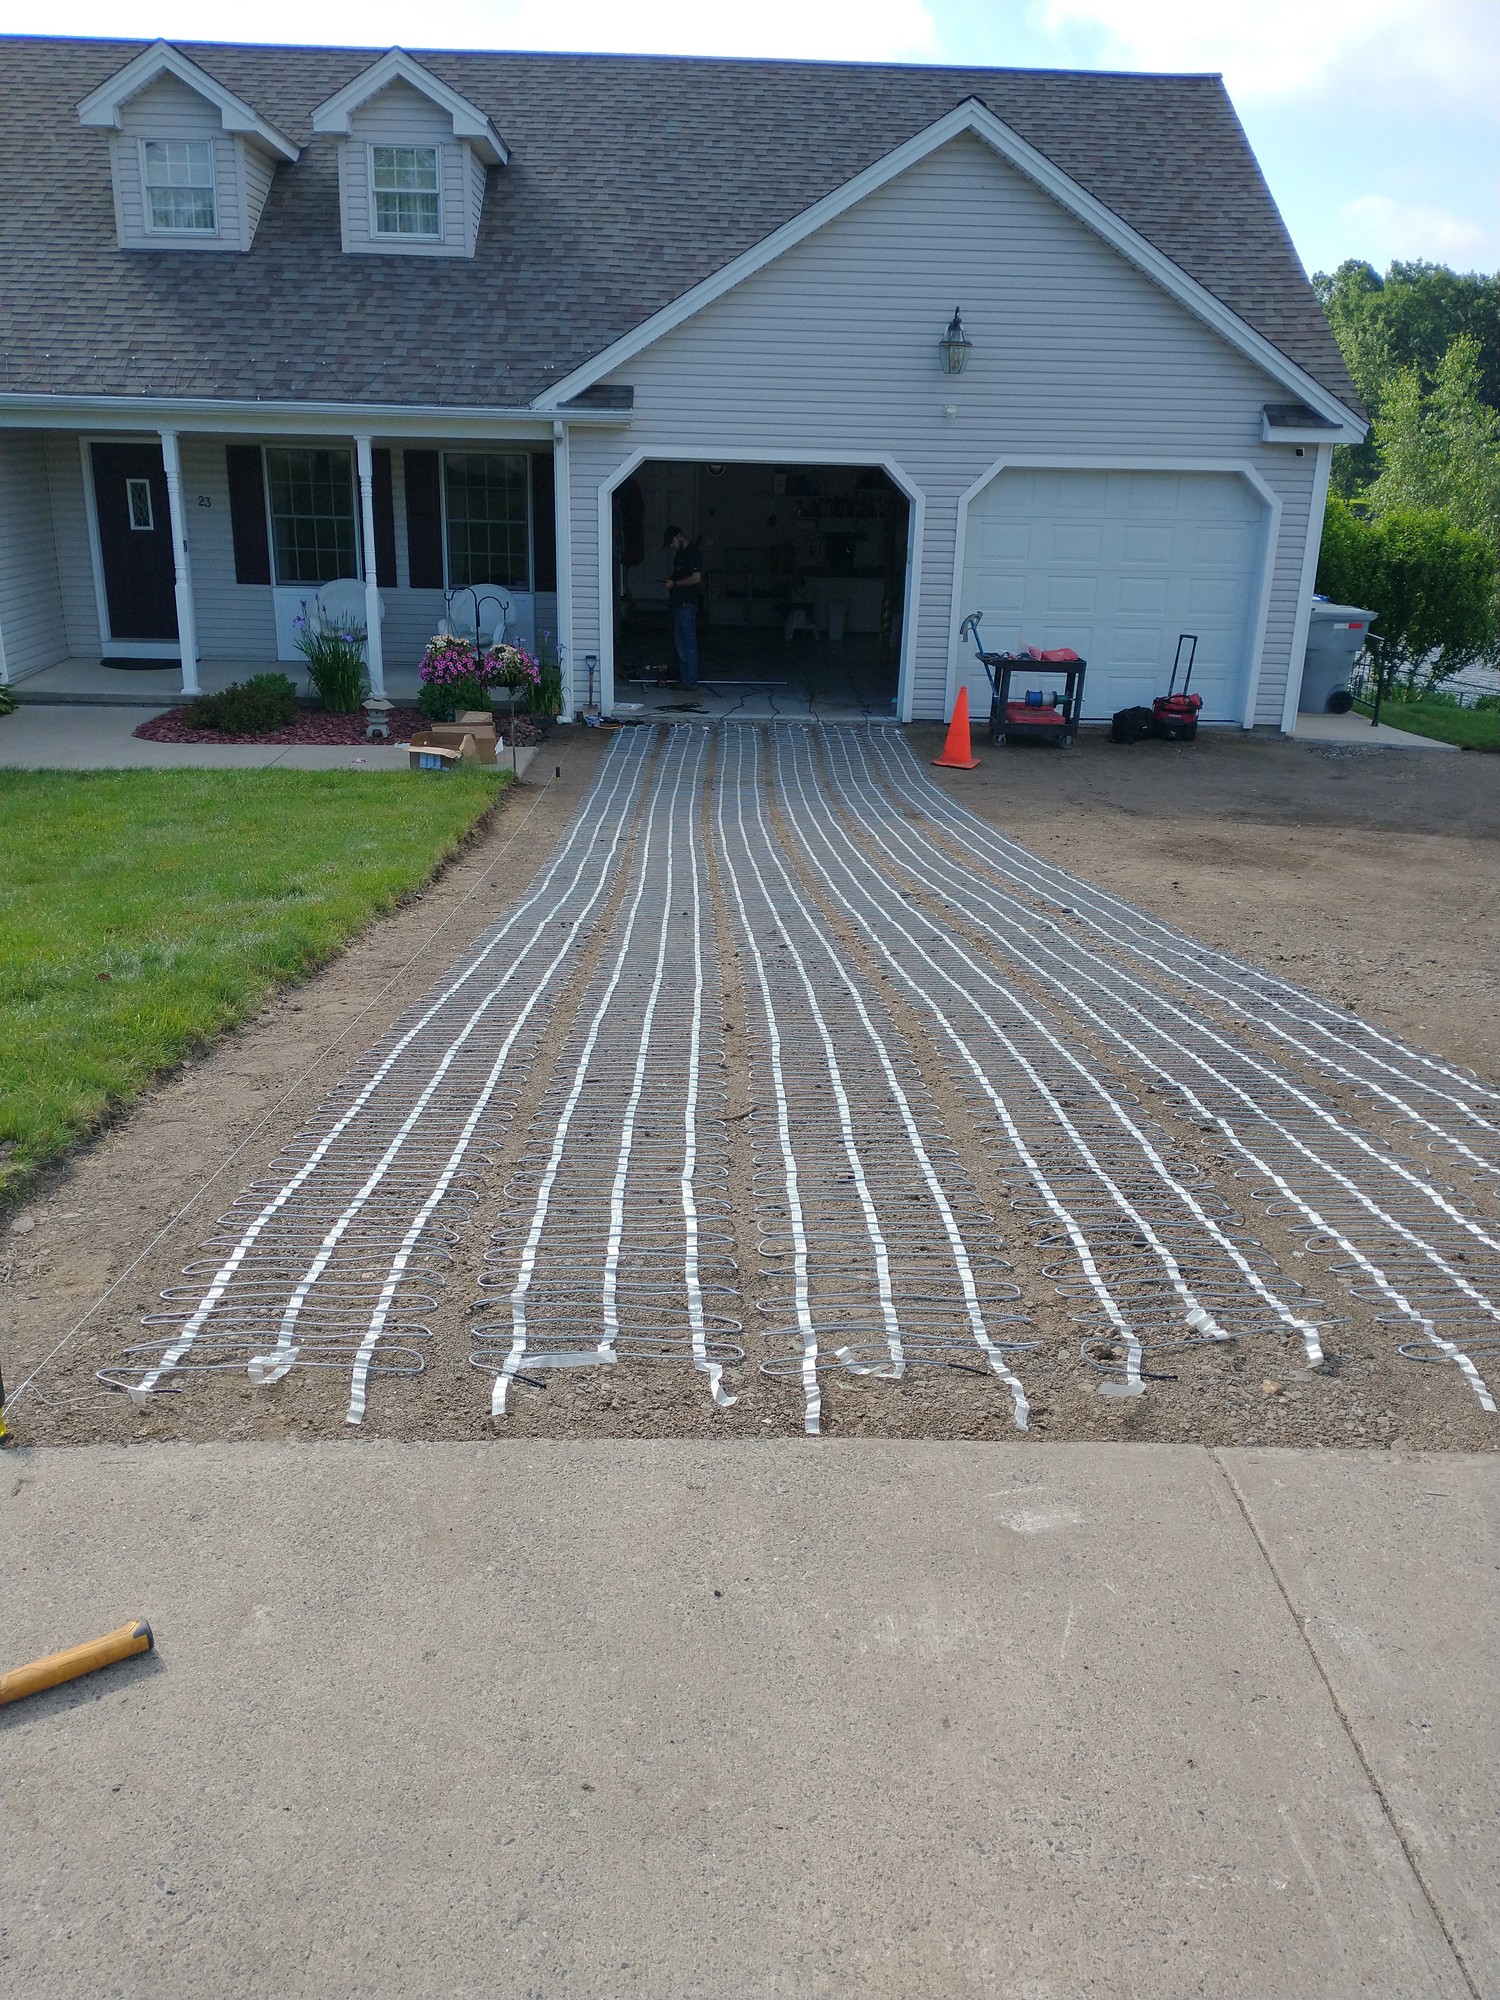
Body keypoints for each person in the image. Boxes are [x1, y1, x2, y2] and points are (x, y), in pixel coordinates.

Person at [662, 525, 702, 685]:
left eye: (672, 542)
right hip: (677, 603)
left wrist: (675, 584)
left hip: (686, 604)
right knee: (679, 643)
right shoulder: (679, 556)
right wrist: (671, 581)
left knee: (687, 643)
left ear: (679, 536)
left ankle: (690, 680)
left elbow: (696, 578)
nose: (671, 546)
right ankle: (683, 677)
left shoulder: (693, 553)